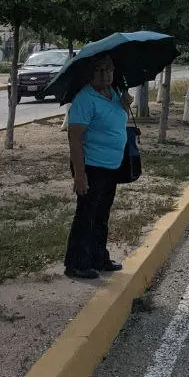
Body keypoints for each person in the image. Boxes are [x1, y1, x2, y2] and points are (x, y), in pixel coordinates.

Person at [64, 53, 132, 280]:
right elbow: (75, 138)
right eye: (100, 70)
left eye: (110, 69)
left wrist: (124, 105)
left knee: (102, 215)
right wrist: (80, 175)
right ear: (91, 73)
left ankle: (98, 258)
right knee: (86, 215)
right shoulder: (85, 99)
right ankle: (77, 263)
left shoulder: (114, 94)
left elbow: (116, 122)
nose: (106, 74)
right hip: (91, 166)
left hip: (111, 166)